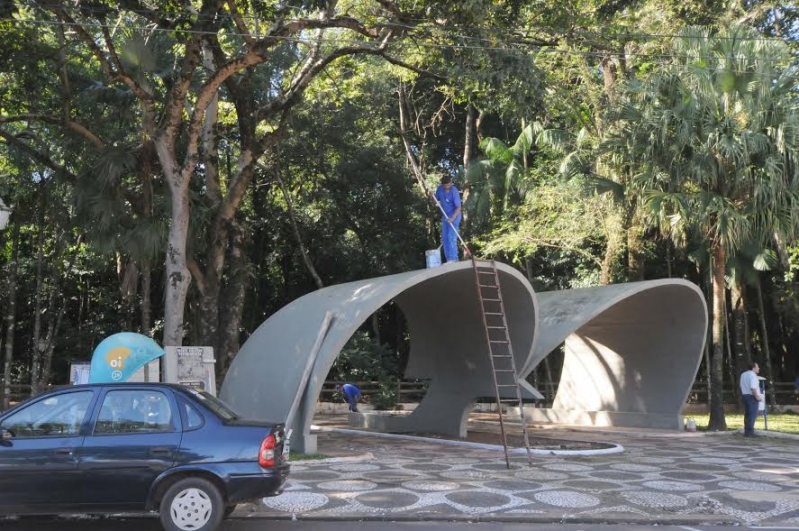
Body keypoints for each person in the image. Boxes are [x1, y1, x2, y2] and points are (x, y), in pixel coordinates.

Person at [434, 176, 462, 263]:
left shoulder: (454, 191)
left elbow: (459, 207)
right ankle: (449, 259)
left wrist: (452, 218)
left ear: (450, 183)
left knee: (451, 236)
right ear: (442, 185)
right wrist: (432, 196)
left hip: (455, 215)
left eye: (448, 184)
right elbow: (435, 200)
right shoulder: (439, 189)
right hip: (445, 215)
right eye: (445, 185)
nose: (447, 187)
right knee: (445, 237)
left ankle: (454, 258)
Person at [739, 362, 763, 437]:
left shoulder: (743, 374)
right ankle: (750, 432)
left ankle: (746, 431)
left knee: (747, 414)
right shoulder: (753, 375)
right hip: (752, 396)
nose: (759, 368)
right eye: (757, 367)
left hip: (745, 395)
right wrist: (756, 396)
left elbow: (740, 385)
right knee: (752, 414)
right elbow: (753, 387)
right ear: (753, 368)